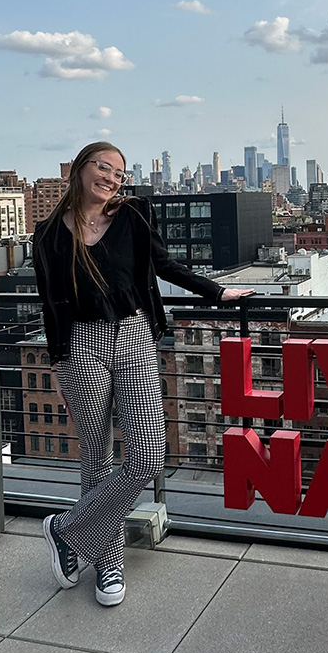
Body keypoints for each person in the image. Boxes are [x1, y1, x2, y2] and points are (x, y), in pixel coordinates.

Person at [31, 142, 250, 606]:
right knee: (97, 457)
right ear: (79, 169)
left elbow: (164, 265)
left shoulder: (133, 215)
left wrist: (216, 292)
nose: (111, 178)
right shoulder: (49, 233)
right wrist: (56, 361)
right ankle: (108, 564)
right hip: (80, 346)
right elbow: (51, 303)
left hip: (133, 337)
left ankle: (67, 529)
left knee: (148, 456)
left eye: (119, 173)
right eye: (103, 167)